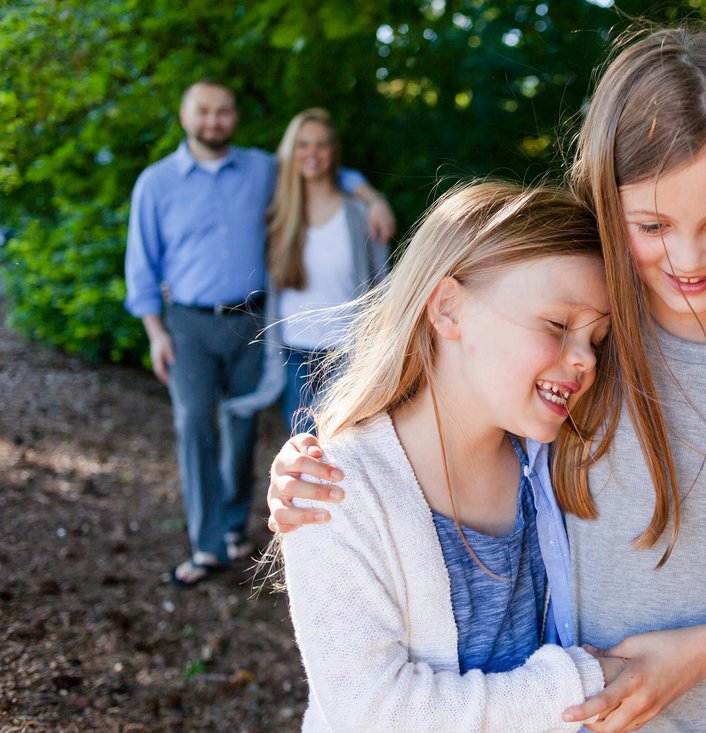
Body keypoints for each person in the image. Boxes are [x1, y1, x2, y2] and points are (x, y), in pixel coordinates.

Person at [267, 25, 706, 732]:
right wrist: (320, 464)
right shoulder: (590, 321)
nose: (687, 256)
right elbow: (458, 403)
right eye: (652, 223)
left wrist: (697, 656)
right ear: (610, 204)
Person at [278, 180, 618, 731]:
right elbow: (370, 712)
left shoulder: (560, 464)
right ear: (449, 309)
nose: (584, 359)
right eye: (558, 325)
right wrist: (579, 684)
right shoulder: (334, 490)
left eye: (596, 339)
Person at [124, 80, 395, 588]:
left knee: (243, 426)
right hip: (187, 324)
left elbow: (318, 168)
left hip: (252, 319)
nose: (213, 121)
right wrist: (155, 332)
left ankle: (233, 528)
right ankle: (206, 547)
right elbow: (141, 264)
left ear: (234, 117)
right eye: (203, 111)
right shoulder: (156, 183)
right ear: (185, 116)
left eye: (223, 112)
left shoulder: (259, 169)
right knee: (195, 423)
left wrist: (370, 193)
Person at [221, 108, 391, 434]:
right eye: (303, 144)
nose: (312, 154)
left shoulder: (359, 214)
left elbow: (382, 284)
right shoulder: (278, 212)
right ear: (290, 151)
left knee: (347, 446)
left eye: (322, 145)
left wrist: (375, 198)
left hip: (348, 353)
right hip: (295, 352)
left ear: (334, 152)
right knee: (304, 446)